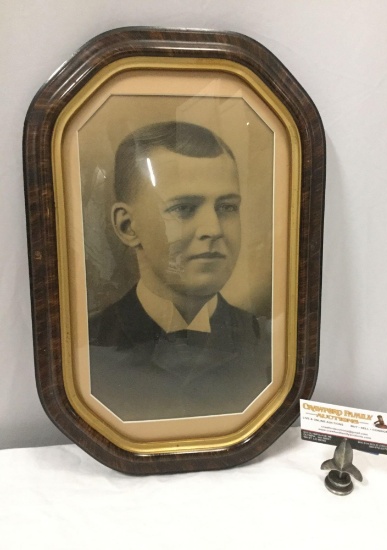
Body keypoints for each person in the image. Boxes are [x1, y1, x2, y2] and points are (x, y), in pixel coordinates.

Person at [88, 121, 271, 421]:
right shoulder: (89, 349)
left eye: (226, 207)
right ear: (127, 226)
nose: (213, 230)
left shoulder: (267, 345)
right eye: (183, 209)